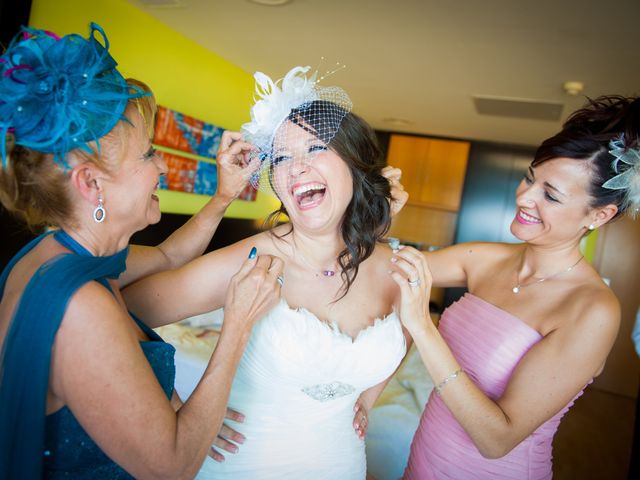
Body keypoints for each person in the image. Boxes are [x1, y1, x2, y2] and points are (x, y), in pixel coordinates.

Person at [0, 23, 284, 479]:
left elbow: (172, 256)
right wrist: (238, 324)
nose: (163, 168)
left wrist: (224, 196)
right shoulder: (81, 305)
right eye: (149, 154)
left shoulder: (61, 254)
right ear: (91, 184)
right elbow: (172, 466)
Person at [122, 65, 410, 479]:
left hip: (343, 463)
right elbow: (117, 315)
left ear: (354, 164)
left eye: (314, 149)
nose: (295, 168)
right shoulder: (254, 259)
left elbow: (410, 332)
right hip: (241, 463)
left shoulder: (394, 263)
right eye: (279, 158)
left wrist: (367, 397)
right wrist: (173, 405)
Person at [388, 95, 640, 479]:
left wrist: (423, 327)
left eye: (551, 195)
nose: (524, 197)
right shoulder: (487, 258)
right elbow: (383, 266)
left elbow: (496, 439)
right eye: (529, 178)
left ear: (599, 214)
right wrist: (378, 214)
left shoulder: (592, 309)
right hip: (422, 462)